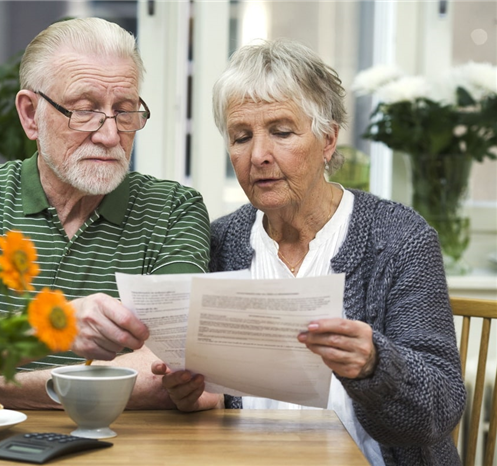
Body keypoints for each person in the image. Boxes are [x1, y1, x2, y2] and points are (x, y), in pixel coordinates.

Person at [152, 39, 466, 465]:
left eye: (281, 132)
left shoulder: (399, 239)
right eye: (241, 137)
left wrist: (375, 365)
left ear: (328, 140)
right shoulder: (218, 241)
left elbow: (441, 407)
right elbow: (214, 402)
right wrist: (193, 397)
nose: (258, 155)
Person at [0, 17, 210, 410]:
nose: (109, 136)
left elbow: (171, 375)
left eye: (124, 111)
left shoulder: (173, 209)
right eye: (85, 110)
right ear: (29, 115)